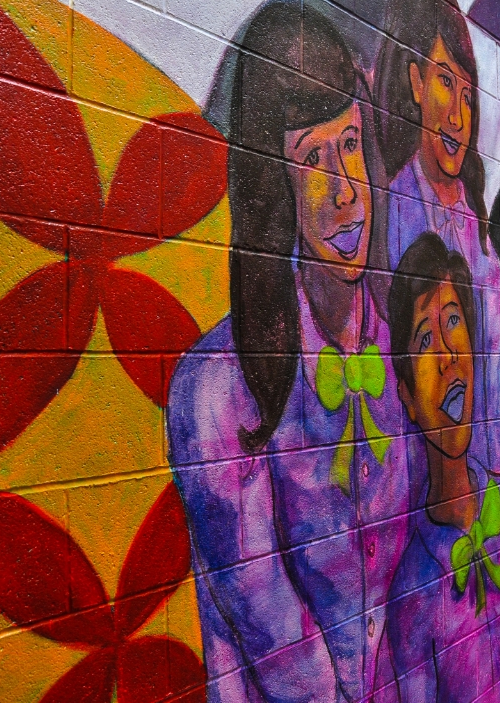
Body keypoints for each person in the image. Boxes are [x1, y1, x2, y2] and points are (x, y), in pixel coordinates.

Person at [168, 3, 408, 701]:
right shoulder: (217, 387)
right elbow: (281, 649)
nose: (345, 189)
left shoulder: (388, 353)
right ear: (276, 183)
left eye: (352, 143)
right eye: (312, 157)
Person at [386, 233, 500, 702]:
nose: (448, 353)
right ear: (408, 398)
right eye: (426, 338)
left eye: (454, 322)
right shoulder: (411, 593)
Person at [375, 0, 500, 476]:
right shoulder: (387, 214)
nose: (458, 115)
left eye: (468, 96)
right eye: (445, 82)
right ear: (415, 83)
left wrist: (497, 470)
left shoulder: (479, 230)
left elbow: (491, 365)